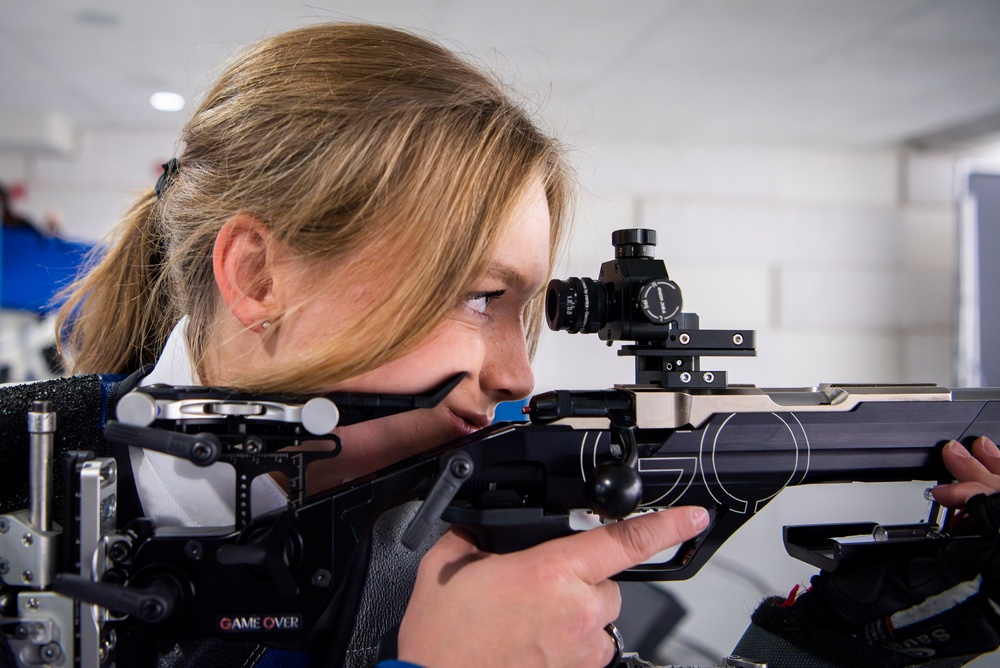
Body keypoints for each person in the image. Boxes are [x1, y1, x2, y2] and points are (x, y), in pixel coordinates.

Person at [47, 22, 708, 668]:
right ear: (257, 277)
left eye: (522, 311)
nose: (518, 377)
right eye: (478, 297)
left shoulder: (476, 555)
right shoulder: (19, 473)